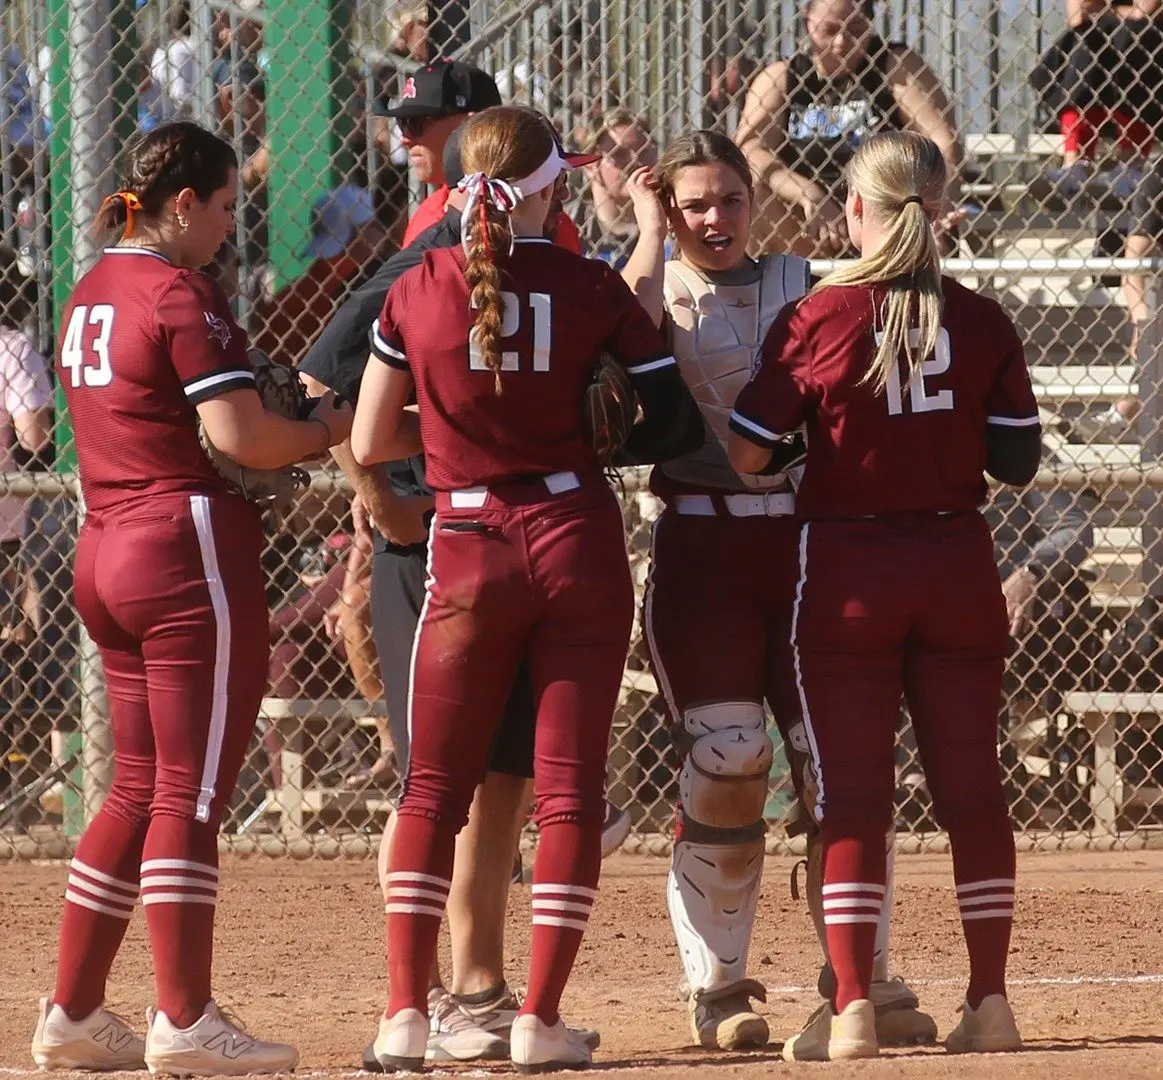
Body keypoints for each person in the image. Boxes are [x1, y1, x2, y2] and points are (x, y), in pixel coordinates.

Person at [349, 104, 701, 1073]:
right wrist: (580, 424)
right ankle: (538, 1020)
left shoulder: (418, 284)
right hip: (573, 535)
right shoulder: (591, 286)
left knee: (431, 789)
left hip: (464, 536)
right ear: (550, 188)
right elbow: (669, 430)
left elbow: (374, 442)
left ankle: (400, 1018)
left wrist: (468, 429)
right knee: (567, 794)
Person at [30, 120, 352, 1075]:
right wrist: (328, 426)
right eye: (221, 207)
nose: (226, 226)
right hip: (183, 550)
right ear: (181, 205)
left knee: (134, 785)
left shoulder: (91, 289)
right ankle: (185, 1018)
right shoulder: (179, 289)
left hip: (106, 546)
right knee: (191, 792)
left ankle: (75, 1011)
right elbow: (245, 438)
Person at [299, 118, 612, 1068]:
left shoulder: (544, 261)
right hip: (436, 542)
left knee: (504, 771)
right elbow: (325, 390)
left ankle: (472, 988)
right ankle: (427, 992)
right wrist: (382, 505)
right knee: (440, 775)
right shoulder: (422, 267)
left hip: (476, 536)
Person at [726, 129, 1039, 1060]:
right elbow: (1015, 462)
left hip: (850, 570)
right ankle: (989, 1002)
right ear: (936, 208)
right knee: (973, 792)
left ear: (854, 210)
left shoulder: (820, 317)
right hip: (954, 562)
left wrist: (821, 442)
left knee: (855, 798)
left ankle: (854, 1007)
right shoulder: (980, 317)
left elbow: (747, 454)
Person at [619, 129, 933, 1053]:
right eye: (692, 204)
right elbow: (629, 322)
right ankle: (719, 993)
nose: (713, 219)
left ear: (754, 201)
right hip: (703, 550)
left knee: (840, 765)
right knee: (726, 759)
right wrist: (645, 228)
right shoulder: (650, 282)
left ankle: (857, 982)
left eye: (728, 199)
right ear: (667, 209)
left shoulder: (805, 282)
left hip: (806, 548)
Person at [735, 0, 963, 257]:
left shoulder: (894, 65)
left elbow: (945, 143)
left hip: (884, 210)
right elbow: (749, 151)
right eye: (829, 30)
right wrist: (809, 195)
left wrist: (933, 209)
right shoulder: (783, 77)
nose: (842, 42)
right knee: (750, 192)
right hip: (806, 222)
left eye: (856, 28)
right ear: (807, 23)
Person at [252, 184, 390, 367]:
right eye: (375, 224)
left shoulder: (286, 298)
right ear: (361, 234)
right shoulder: (360, 292)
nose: (383, 233)